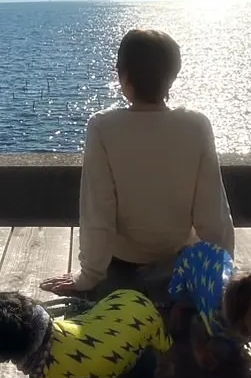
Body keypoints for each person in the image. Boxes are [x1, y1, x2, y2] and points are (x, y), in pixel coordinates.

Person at [41, 27, 234, 297]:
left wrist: (88, 275)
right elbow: (213, 214)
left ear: (123, 76)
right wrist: (223, 275)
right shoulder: (196, 125)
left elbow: (99, 212)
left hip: (120, 267)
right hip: (176, 266)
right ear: (173, 75)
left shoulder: (103, 127)